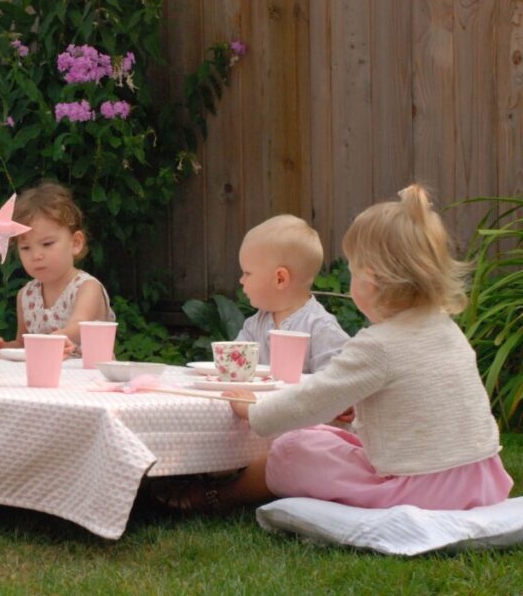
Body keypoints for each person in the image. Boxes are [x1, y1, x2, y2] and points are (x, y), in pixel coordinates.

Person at [157, 185, 513, 513]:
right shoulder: (446, 330)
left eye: (353, 271)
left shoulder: (378, 346)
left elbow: (311, 400)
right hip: (481, 480)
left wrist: (254, 410)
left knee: (293, 449)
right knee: (322, 436)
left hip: (420, 489)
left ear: (371, 279)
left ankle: (219, 495)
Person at [0, 182, 115, 352]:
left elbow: (79, 327)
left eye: (47, 244)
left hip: (89, 368)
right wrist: (2, 347)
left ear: (75, 243)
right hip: (48, 369)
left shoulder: (86, 288)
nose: (36, 255)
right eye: (25, 248)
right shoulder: (26, 296)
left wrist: (48, 341)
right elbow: (23, 344)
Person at [235, 214, 349, 373]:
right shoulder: (254, 325)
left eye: (247, 273)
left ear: (280, 279)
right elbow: (236, 368)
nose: (241, 280)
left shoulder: (321, 328)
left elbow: (336, 380)